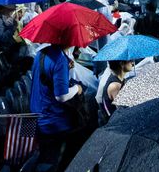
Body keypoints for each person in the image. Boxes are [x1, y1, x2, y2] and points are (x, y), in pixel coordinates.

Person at [31, 41, 87, 171]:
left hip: (39, 115)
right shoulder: (60, 59)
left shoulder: (41, 53)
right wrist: (77, 88)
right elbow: (61, 96)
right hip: (54, 122)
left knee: (46, 156)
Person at [99, 59, 135, 124]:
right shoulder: (115, 86)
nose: (132, 63)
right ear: (121, 64)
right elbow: (124, 111)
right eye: (130, 60)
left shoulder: (119, 79)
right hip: (115, 124)